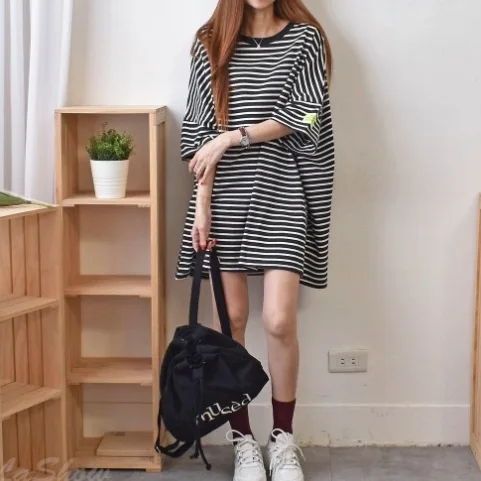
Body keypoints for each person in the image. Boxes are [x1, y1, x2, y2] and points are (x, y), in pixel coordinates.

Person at [176, 0, 335, 480]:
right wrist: (203, 205)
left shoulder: (305, 39)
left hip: (282, 188)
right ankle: (243, 440)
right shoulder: (210, 42)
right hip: (224, 193)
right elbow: (199, 134)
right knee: (232, 323)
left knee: (279, 320)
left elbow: (307, 116)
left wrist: (233, 137)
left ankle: (283, 438)